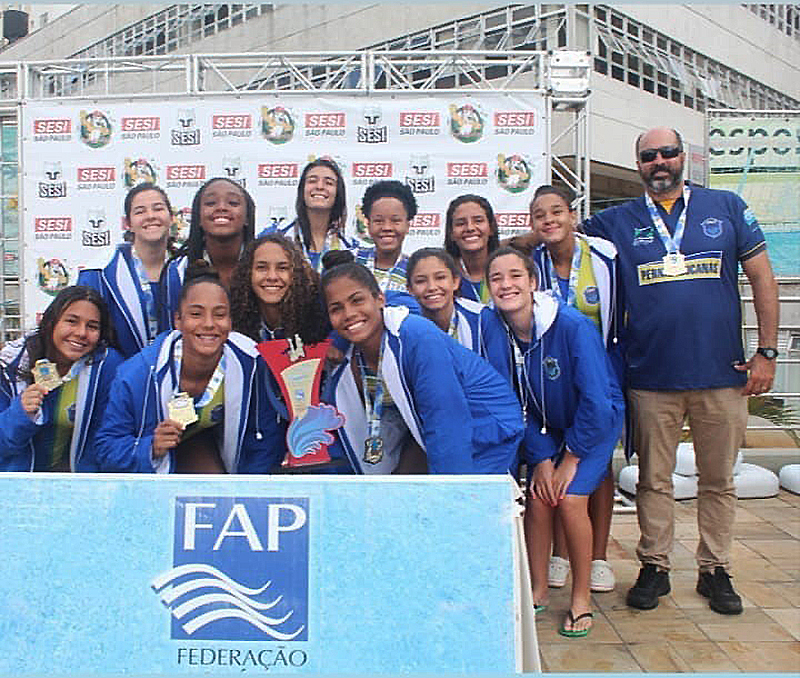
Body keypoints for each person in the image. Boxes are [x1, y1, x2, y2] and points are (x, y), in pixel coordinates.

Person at [582, 127, 779, 615]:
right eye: (649, 156)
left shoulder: (726, 207)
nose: (660, 162)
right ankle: (655, 566)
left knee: (718, 480)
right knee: (653, 480)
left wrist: (767, 353)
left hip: (723, 374)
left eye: (668, 152)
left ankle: (716, 569)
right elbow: (558, 233)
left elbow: (761, 277)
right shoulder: (617, 221)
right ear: (638, 166)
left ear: (682, 157)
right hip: (649, 377)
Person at [480, 246, 624, 638]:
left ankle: (580, 598)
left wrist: (571, 458)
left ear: (533, 282)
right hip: (548, 426)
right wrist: (541, 457)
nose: (506, 285)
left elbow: (596, 401)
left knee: (572, 499)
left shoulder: (572, 326)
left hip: (595, 423)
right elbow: (507, 400)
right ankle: (538, 588)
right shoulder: (495, 325)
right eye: (496, 278)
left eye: (514, 276)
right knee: (540, 498)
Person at [321, 261, 523, 475]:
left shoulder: (417, 336)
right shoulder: (347, 357)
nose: (349, 313)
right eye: (337, 308)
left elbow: (446, 420)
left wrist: (450, 494)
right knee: (395, 495)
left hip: (486, 427)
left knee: (459, 502)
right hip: (423, 432)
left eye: (357, 300)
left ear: (380, 299)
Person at [94, 265, 284, 474]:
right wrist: (151, 447)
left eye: (220, 315)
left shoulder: (252, 364)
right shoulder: (137, 374)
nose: (209, 324)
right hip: (154, 479)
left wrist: (244, 494)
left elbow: (264, 440)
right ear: (178, 320)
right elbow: (105, 449)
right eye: (196, 314)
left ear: (231, 322)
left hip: (211, 454)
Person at [529, 184, 623, 593]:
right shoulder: (530, 265)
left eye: (556, 212)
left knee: (596, 473)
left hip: (598, 380)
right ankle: (559, 556)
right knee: (553, 476)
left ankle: (598, 557)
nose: (549, 220)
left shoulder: (605, 257)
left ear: (572, 215)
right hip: (550, 387)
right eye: (539, 215)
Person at [0, 286, 123, 471]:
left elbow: (106, 441)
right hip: (17, 484)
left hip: (77, 487)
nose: (82, 332)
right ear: (51, 322)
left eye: (92, 326)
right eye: (72, 321)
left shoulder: (107, 368)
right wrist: (20, 413)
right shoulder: (12, 364)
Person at [78, 183, 176, 358]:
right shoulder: (100, 274)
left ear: (172, 217)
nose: (151, 216)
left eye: (158, 209)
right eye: (140, 211)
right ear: (127, 223)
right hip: (119, 379)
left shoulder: (189, 269)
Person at [162, 177, 256, 318]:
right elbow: (171, 331)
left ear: (247, 217)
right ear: (198, 217)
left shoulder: (263, 268)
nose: (221, 208)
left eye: (233, 203)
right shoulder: (177, 271)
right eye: (211, 203)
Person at [260, 158, 355, 272]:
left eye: (329, 183)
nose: (319, 187)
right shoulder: (273, 236)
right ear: (302, 190)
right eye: (312, 181)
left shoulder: (351, 248)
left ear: (338, 193)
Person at [405, 247, 483, 352]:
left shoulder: (481, 318)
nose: (432, 287)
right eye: (420, 281)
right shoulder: (405, 327)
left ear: (455, 282)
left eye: (440, 278)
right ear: (409, 289)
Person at [444, 194, 500, 304]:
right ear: (451, 233)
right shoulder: (444, 274)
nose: (470, 228)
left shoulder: (507, 268)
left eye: (478, 221)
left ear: (491, 228)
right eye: (460, 223)